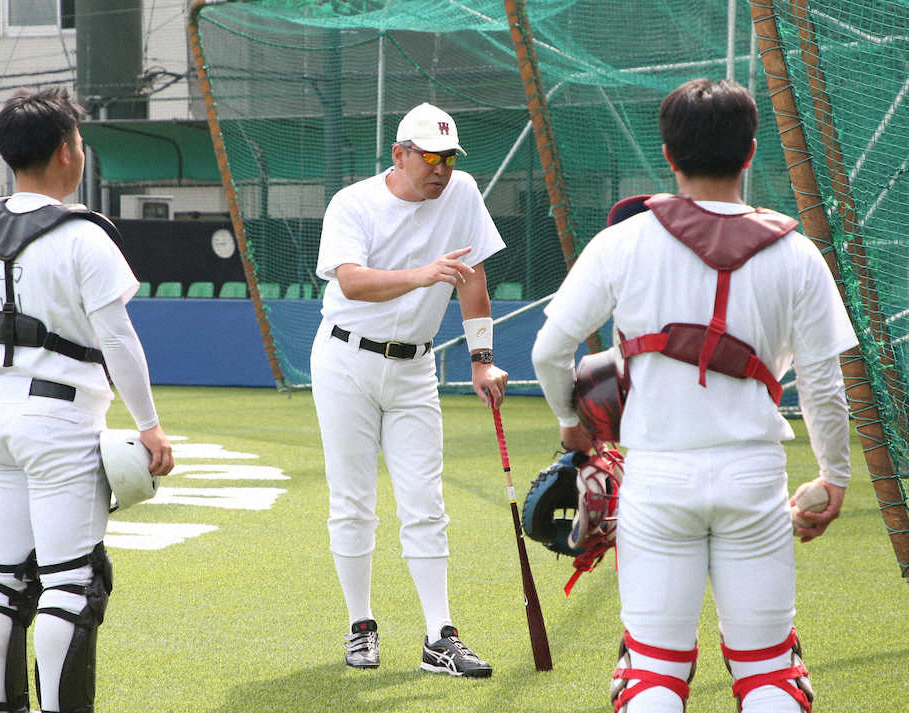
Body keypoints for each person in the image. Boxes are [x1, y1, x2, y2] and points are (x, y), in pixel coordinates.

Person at [531, 78, 857, 713]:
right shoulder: (798, 254)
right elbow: (824, 384)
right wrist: (834, 476)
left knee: (652, 674)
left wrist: (573, 422)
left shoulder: (622, 242)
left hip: (657, 477)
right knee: (770, 674)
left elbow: (548, 352)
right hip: (753, 478)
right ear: (751, 151)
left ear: (669, 155)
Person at [0, 87, 174, 713]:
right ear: (63, 153)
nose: (80, 151)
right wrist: (151, 427)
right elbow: (118, 340)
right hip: (58, 419)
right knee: (72, 584)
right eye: (77, 140)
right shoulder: (83, 236)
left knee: (1, 580)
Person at [310, 102, 508, 677]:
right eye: (428, 156)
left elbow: (473, 279)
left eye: (447, 157)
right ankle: (360, 626)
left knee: (426, 504)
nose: (439, 169)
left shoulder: (463, 192)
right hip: (345, 359)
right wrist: (423, 274)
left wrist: (481, 360)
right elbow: (351, 280)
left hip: (416, 368)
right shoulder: (354, 202)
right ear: (399, 155)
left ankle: (438, 636)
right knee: (353, 502)